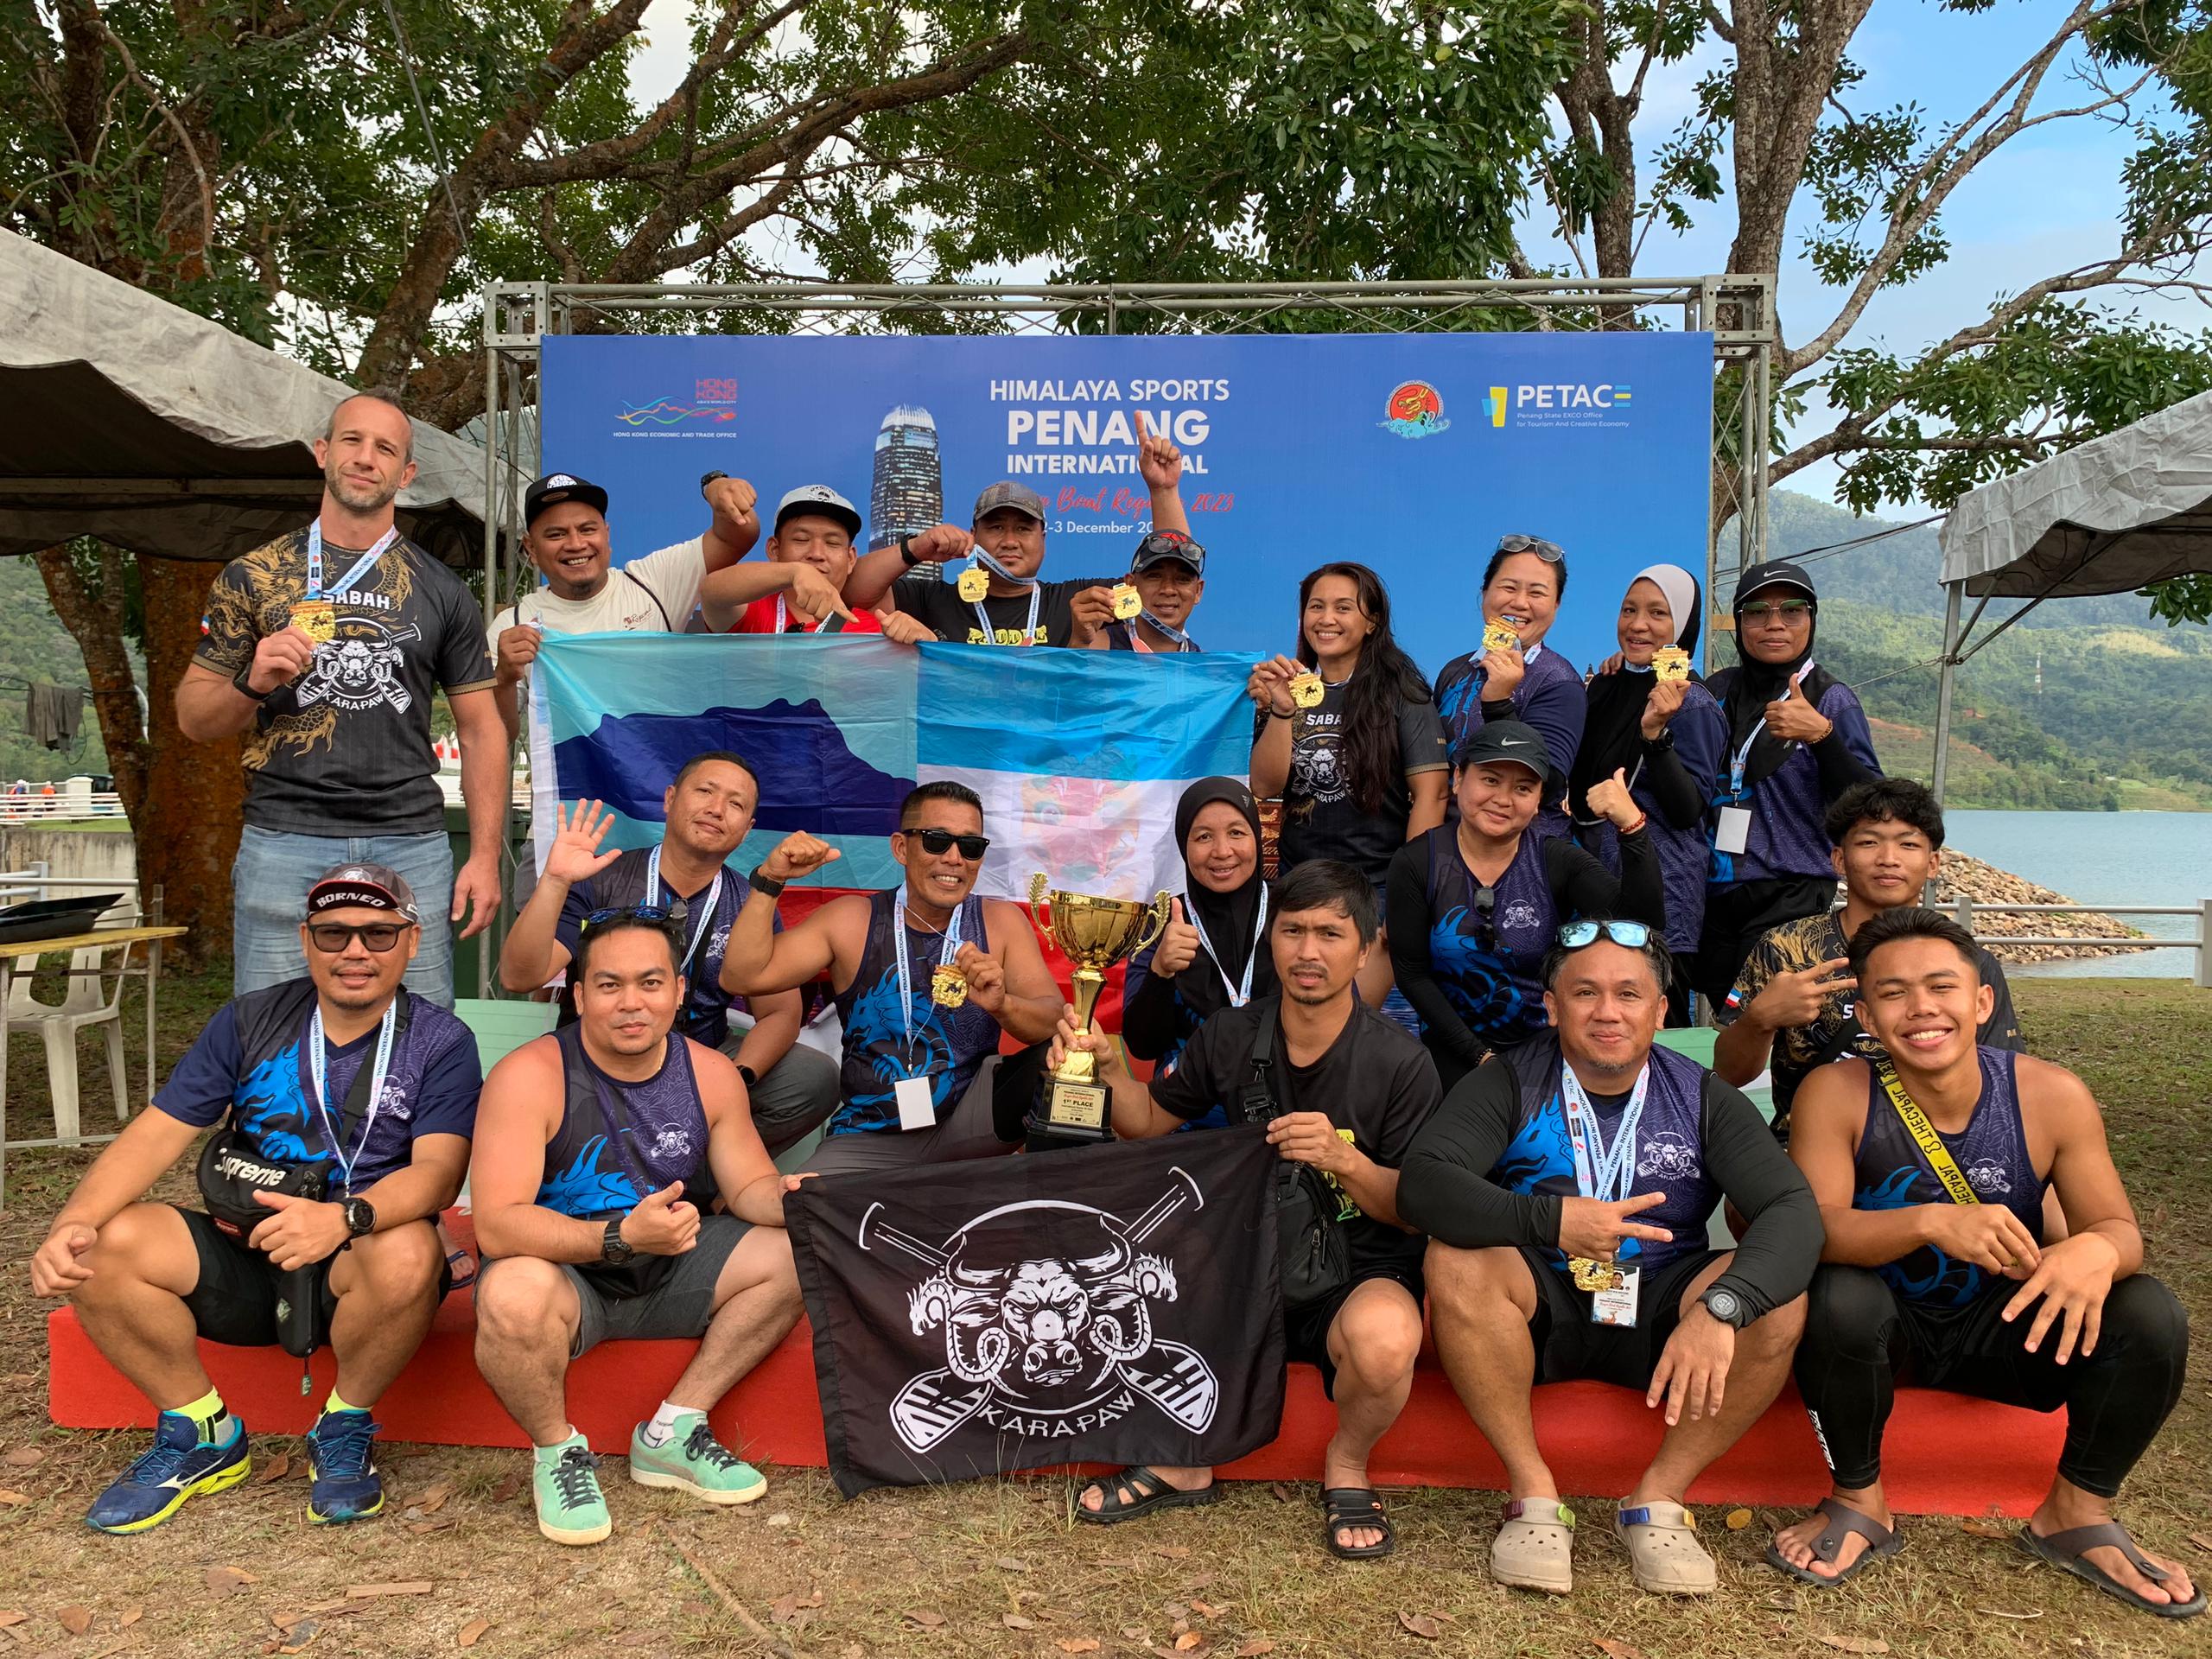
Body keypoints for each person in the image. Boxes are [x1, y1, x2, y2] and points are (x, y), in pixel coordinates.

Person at [1772, 909, 2198, 1618]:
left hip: (2005, 1328)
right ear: (1868, 1016)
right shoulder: (1836, 1091)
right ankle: (1859, 1500)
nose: (1921, 1009)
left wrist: (2095, 1249)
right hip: (1884, 1337)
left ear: (1981, 1002)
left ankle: (2077, 1512)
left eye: (1942, 987)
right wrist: (1931, 1221)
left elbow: (2119, 1230)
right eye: (1894, 993)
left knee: (2149, 1311)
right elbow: (1816, 1230)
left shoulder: (2050, 1094)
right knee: (1837, 1293)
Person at [29, 864, 480, 1532]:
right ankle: (202, 1433)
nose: (355, 951)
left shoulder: (441, 1041)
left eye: (379, 934)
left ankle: (343, 1425)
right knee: (102, 1246)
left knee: (410, 1249)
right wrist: (72, 1223)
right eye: (334, 933)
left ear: (411, 943)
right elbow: (156, 1134)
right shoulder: (251, 1020)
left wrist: (343, 1218)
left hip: (354, 1260)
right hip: (246, 1248)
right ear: (306, 941)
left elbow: (440, 1173)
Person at [1400, 921, 1819, 1597]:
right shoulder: (1510, 1080)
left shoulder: (1702, 1095)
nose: (1607, 1012)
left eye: (1629, 994)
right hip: (1541, 1303)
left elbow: (1792, 1210)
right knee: (1456, 1258)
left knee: (1775, 1297)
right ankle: (1533, 1494)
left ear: (1660, 1010)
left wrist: (1723, 1307)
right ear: (1552, 1006)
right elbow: (1424, 1184)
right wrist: (1551, 1220)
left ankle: (1659, 1499)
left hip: (1662, 1308)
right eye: (1585, 992)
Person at [1055, 860, 1439, 1558]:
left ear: (1365, 948)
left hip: (1357, 1270)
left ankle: (1348, 1463)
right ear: (1273, 941)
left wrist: (1346, 1160)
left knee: (1385, 1341)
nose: (1309, 952)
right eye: (1293, 931)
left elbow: (1415, 1213)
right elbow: (1146, 1123)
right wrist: (1107, 1069)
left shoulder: (1402, 1062)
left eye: (1330, 934)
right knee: (1135, 1272)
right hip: (1247, 1258)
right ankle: (1185, 1459)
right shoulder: (1231, 1033)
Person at [469, 909, 806, 1547]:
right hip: (569, 1276)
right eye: (609, 984)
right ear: (579, 996)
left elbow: (749, 1189)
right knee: (511, 1294)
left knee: (794, 1250)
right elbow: (496, 1224)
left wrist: (793, 1198)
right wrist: (619, 1237)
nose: (631, 1003)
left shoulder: (711, 1072)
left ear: (678, 992)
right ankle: (558, 1452)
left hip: (671, 1262)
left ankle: (672, 1431)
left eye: (650, 983)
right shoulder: (528, 1075)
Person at [178, 392, 505, 1005]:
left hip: (410, 840)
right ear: (323, 452)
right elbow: (194, 719)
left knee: (420, 1036)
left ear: (405, 473)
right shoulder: (253, 575)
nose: (366, 458)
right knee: (270, 1032)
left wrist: (485, 856)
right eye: (352, 440)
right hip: (284, 835)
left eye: (386, 448)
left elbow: (482, 729)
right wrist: (252, 681)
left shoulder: (443, 590)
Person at [496, 753, 840, 1154]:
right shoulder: (603, 877)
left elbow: (780, 1013)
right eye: (705, 791)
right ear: (670, 799)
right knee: (530, 1087)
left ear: (747, 829)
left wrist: (736, 1077)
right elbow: (520, 976)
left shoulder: (750, 902)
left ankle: (696, 1175)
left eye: (735, 804)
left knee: (812, 1077)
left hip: (701, 1057)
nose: (716, 809)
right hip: (601, 1054)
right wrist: (555, 882)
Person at [717, 781, 1063, 1174]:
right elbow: (742, 977)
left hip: (971, 1124)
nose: (954, 858)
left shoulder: (1000, 922)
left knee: (1064, 1059)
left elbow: (1053, 1019)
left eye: (971, 846)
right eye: (936, 841)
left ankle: (1054, 1198)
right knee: (805, 1204)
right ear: (901, 848)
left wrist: (1004, 1005)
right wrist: (770, 880)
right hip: (869, 1138)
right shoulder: (852, 920)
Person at [1715, 778, 2024, 1139]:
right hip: (1807, 1143)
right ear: (1839, 859)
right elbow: (1728, 1075)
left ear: (1933, 863)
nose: (1888, 859)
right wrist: (1759, 1020)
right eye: (1868, 842)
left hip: (1935, 1152)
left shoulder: (1967, 961)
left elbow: (2003, 1083)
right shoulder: (1786, 948)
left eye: (1908, 844)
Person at [1388, 722, 1664, 1091]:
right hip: (1451, 1051)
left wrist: (1632, 826)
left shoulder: (1556, 861)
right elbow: (1412, 974)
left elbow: (1645, 925)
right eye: (1490, 780)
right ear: (1458, 779)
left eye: (1523, 788)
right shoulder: (1417, 862)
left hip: (1548, 1053)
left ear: (1538, 802)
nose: (1503, 799)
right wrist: (1479, 1056)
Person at [1249, 562, 1449, 1007]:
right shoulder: (1291, 687)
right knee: (1299, 1019)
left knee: (1351, 1022)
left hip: (1374, 891)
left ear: (1371, 621)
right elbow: (1263, 786)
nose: (1327, 619)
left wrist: (1408, 896)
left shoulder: (1403, 691)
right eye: (1316, 606)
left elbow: (1431, 794)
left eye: (1343, 608)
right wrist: (1281, 711)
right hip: (1298, 885)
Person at [1693, 560, 1881, 1003]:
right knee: (1726, 1025)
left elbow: (1875, 806)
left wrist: (1822, 736)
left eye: (1792, 611)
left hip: (1792, 892)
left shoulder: (1830, 699)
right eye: (1757, 612)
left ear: (1811, 620)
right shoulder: (1717, 690)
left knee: (1773, 1020)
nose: (1774, 624)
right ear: (1739, 623)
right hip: (1712, 892)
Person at [842, 418, 1190, 647]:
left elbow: (1165, 578)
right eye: (996, 528)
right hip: (962, 743)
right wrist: (916, 548)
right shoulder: (935, 599)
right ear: (973, 535)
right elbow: (853, 592)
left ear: (1043, 539)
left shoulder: (1074, 600)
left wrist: (1163, 490)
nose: (1009, 541)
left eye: (1023, 528)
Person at [488, 469, 762, 741]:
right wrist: (504, 679)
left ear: (606, 534)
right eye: (556, 535)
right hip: (571, 771)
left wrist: (716, 485)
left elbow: (736, 535)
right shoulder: (513, 625)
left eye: (587, 529)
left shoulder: (652, 583)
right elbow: (499, 735)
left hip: (660, 766)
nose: (576, 544)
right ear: (531, 548)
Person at [1570, 565, 1726, 1025]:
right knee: (1596, 1025)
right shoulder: (1606, 686)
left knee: (1658, 1035)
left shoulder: (1692, 702)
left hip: (1662, 900)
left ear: (1683, 625)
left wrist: (1656, 736)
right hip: (1593, 889)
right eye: (1629, 611)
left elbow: (1687, 810)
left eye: (1658, 613)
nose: (1638, 625)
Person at [1122, 779, 1276, 1088]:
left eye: (1236, 833)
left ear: (1256, 838)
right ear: (1184, 845)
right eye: (1204, 837)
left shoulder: (1293, 915)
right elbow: (1142, 1046)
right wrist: (1160, 972)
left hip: (1284, 1100)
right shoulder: (1161, 922)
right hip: (1187, 1102)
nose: (1222, 851)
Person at [1433, 536, 1586, 839]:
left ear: (1556, 605)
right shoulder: (1455, 670)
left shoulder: (1559, 681)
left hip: (1526, 852)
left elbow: (1549, 783)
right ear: (1485, 592)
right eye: (1509, 587)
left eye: (1537, 593)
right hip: (1451, 846)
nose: (1520, 602)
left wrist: (1499, 703)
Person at [696, 485, 888, 636]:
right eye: (801, 539)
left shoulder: (873, 631)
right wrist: (795, 572)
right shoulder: (751, 609)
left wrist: (905, 642)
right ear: (774, 550)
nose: (817, 553)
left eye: (832, 543)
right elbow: (711, 592)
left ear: (850, 558)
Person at [1096, 530, 1207, 653]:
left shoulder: (1205, 664)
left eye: (1182, 579)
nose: (1168, 590)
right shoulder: (1092, 649)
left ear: (1198, 591)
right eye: (1154, 576)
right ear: (1130, 585)